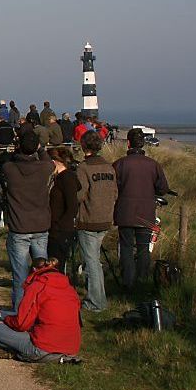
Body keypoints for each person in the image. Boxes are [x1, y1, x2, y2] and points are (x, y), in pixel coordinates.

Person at [1, 132, 54, 311]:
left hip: (19, 227)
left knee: (20, 275)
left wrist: (15, 150)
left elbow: (5, 160)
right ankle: (41, 310)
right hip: (40, 226)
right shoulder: (45, 168)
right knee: (42, 273)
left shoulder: (10, 169)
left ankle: (20, 312)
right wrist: (41, 148)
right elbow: (49, 161)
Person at [0, 257, 81, 361]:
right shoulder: (70, 289)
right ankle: (58, 357)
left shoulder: (37, 286)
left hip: (44, 348)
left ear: (33, 269)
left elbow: (21, 324)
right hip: (72, 348)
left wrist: (7, 319)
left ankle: (17, 351)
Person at [113, 128, 171, 290]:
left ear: (129, 143)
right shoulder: (153, 165)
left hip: (125, 211)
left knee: (125, 247)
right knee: (143, 248)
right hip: (146, 211)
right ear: (143, 143)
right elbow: (162, 188)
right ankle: (142, 281)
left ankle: (128, 281)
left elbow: (113, 187)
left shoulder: (120, 164)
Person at [74, 130, 118, 312]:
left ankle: (96, 302)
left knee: (91, 261)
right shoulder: (109, 167)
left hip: (89, 219)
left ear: (84, 146)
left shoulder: (83, 168)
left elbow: (80, 194)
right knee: (95, 260)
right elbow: (115, 192)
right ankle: (99, 298)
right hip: (106, 218)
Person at [46, 146, 79, 271]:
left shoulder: (66, 178)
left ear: (54, 162)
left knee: (56, 265)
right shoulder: (60, 178)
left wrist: (59, 227)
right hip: (57, 228)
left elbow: (72, 206)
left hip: (61, 230)